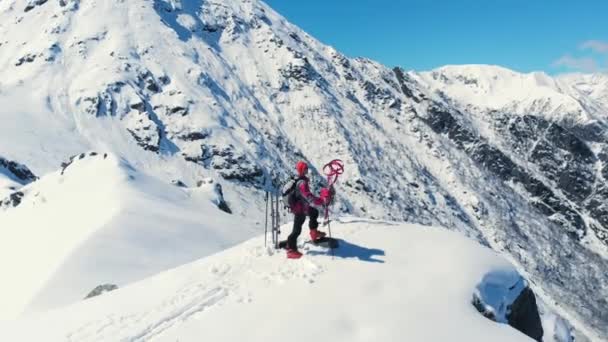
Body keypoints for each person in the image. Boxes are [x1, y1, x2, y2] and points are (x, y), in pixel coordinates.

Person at [285, 161, 332, 259]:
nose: (307, 170)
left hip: (303, 206)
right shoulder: (302, 183)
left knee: (314, 212)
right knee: (297, 230)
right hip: (299, 209)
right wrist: (321, 200)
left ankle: (314, 233)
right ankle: (291, 249)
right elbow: (308, 197)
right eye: (305, 169)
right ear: (302, 170)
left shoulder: (299, 179)